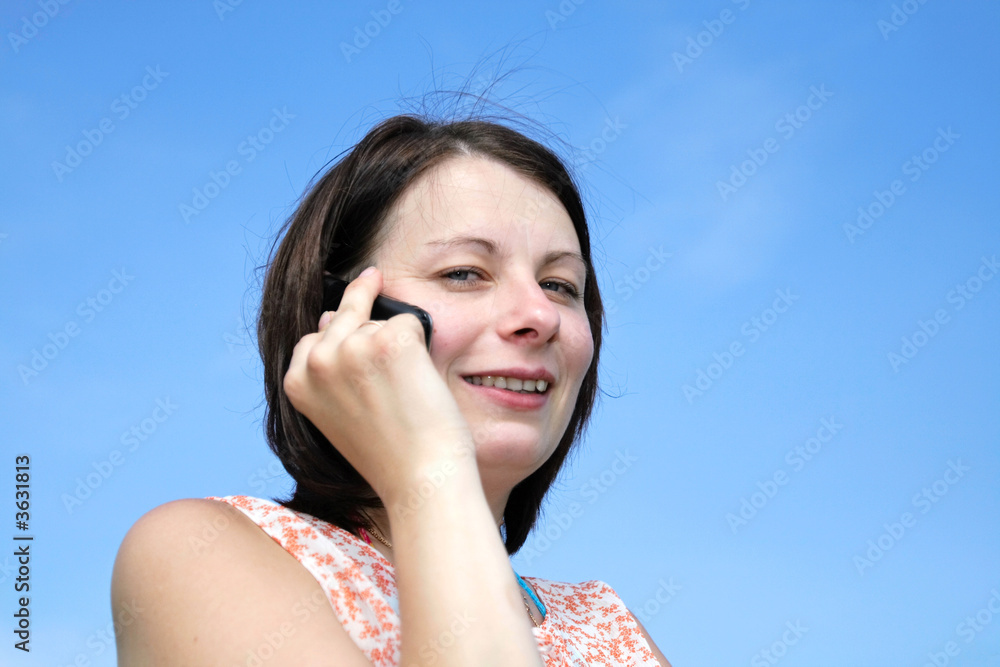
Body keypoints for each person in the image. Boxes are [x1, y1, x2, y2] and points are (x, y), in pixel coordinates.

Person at [111, 113, 671, 666]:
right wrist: (430, 469)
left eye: (559, 285)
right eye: (464, 272)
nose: (539, 314)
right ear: (343, 314)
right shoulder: (200, 554)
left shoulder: (608, 624)